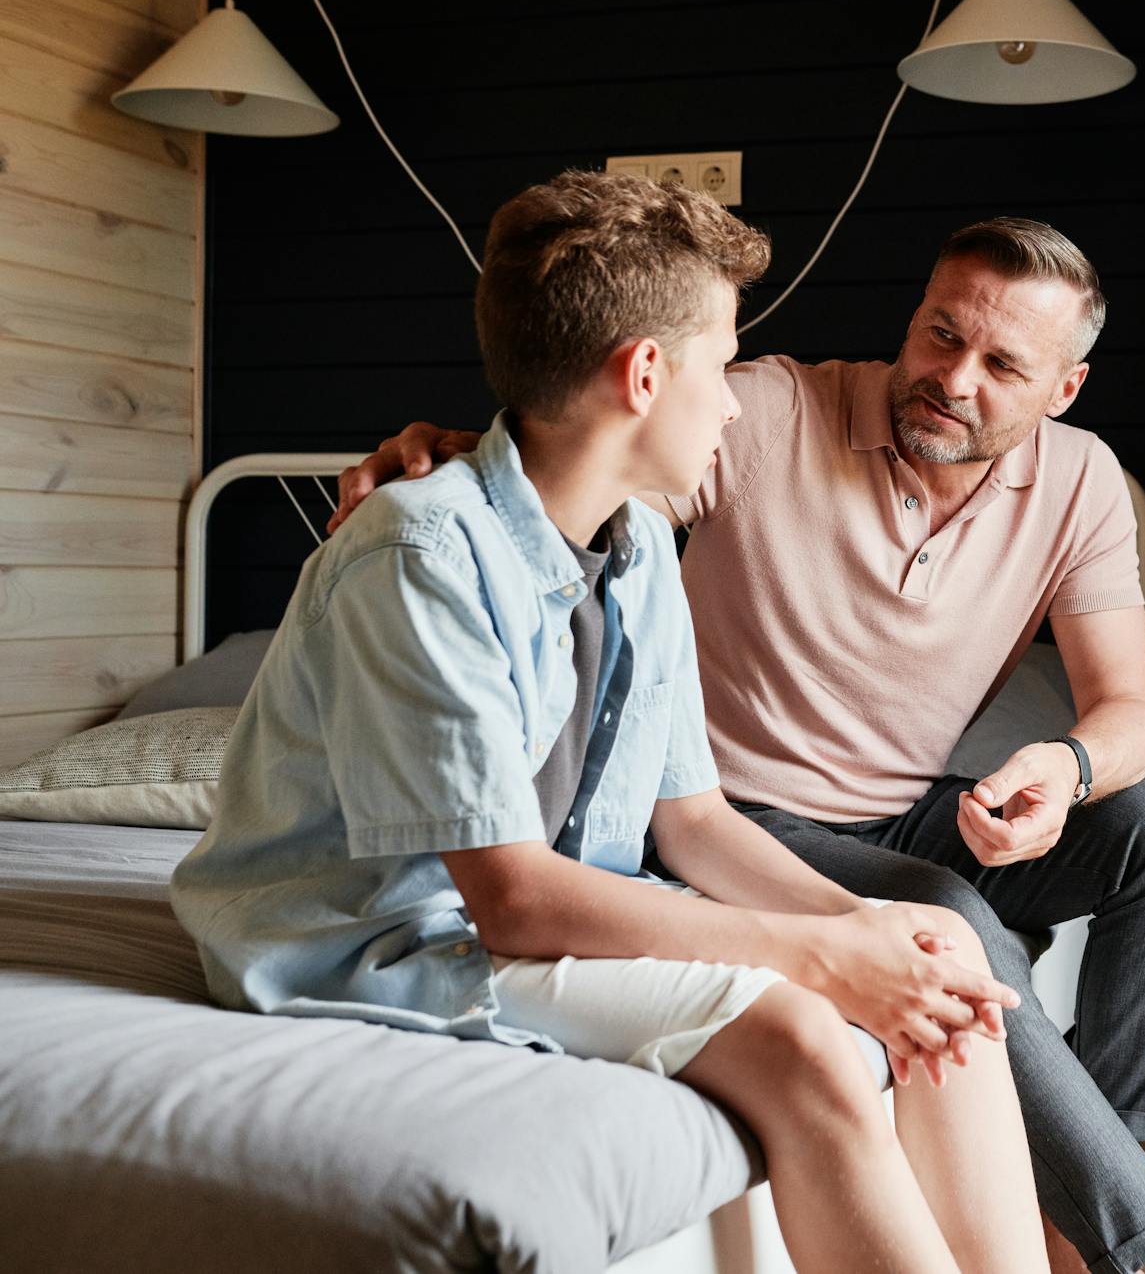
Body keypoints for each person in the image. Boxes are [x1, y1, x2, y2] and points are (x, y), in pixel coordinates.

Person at [174, 172, 1049, 1274]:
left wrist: (871, 935)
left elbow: (690, 822)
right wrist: (821, 959)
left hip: (545, 918)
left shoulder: (638, 548)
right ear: (644, 375)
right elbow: (516, 900)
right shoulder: (417, 555)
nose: (733, 403)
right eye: (723, 366)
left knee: (939, 943)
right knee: (801, 1038)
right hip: (381, 942)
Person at [337, 218, 1145, 1273]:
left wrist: (1066, 767)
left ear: (1062, 391)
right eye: (938, 335)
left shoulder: (1081, 481)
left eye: (1000, 364)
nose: (952, 377)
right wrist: (464, 452)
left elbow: (1128, 707)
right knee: (942, 917)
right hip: (740, 814)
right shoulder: (764, 410)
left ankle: (1105, 1182)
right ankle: (1144, 1246)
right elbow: (585, 474)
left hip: (902, 810)